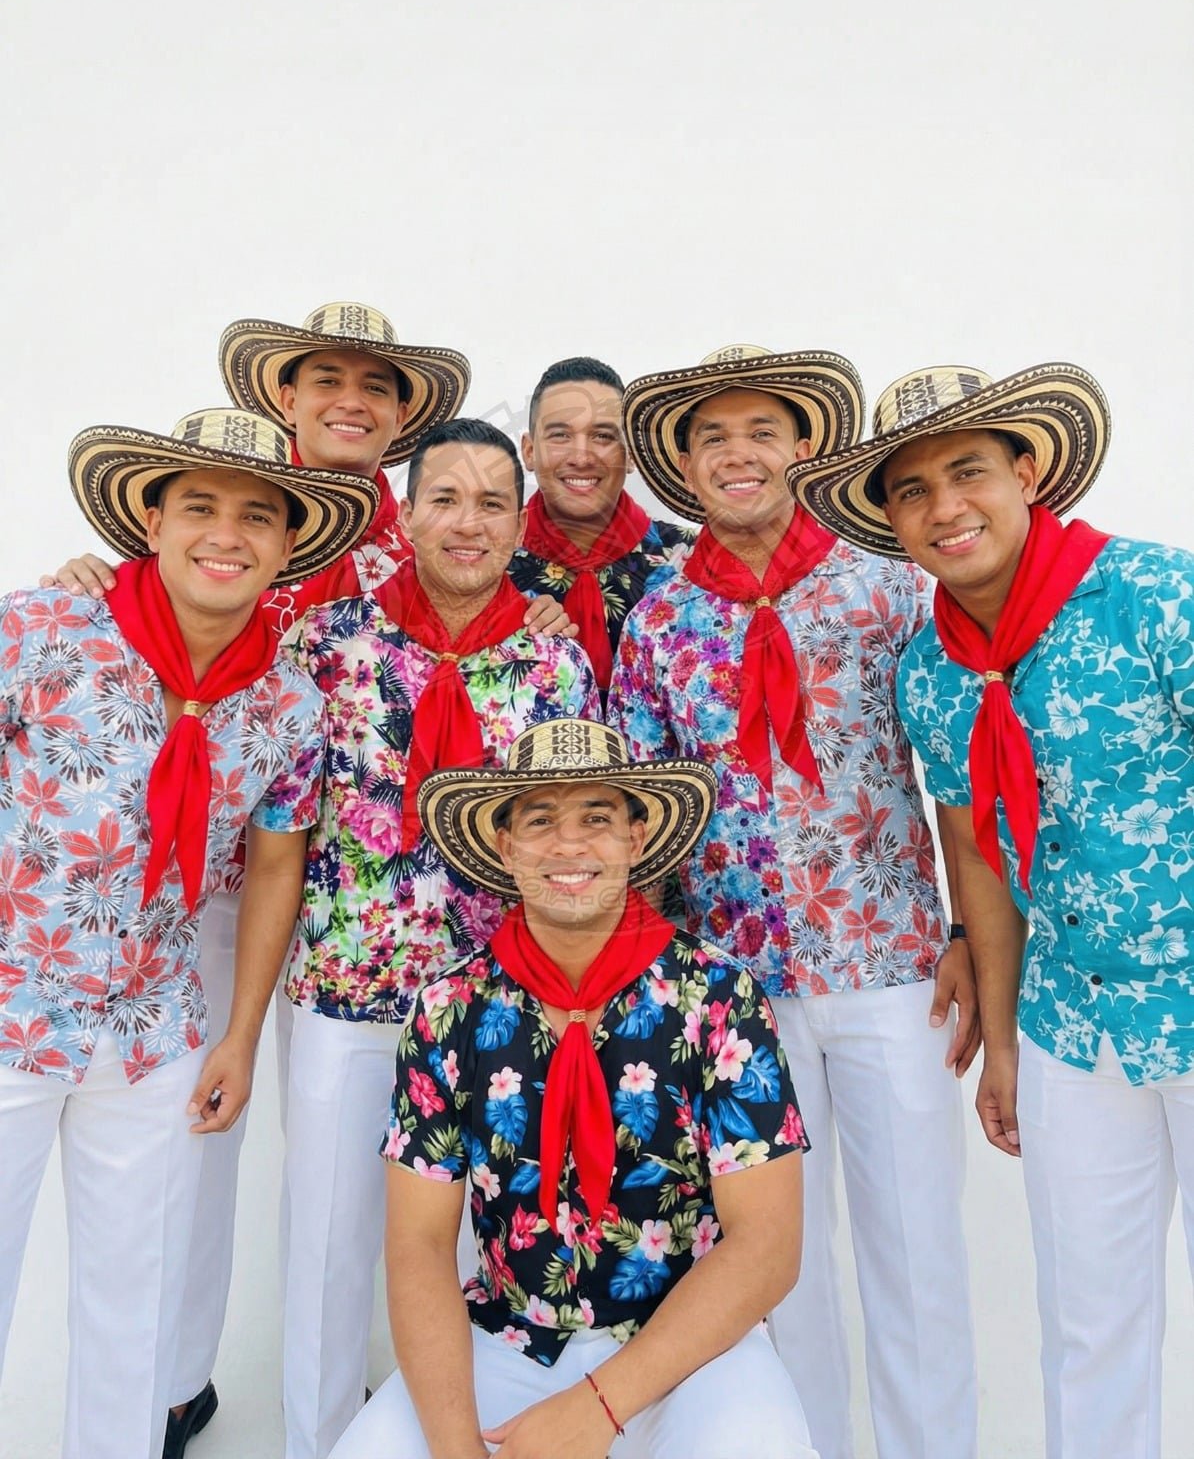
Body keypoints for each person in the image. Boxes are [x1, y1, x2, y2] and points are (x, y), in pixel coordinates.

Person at [42, 302, 569, 1455]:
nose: (350, 400)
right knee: (208, 1150)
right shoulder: (234, 536)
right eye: (327, 378)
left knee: (446, 1200)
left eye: (375, 384)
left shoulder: (439, 570)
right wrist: (87, 580)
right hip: (203, 893)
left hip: (361, 908)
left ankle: (445, 1414)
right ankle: (182, 1391)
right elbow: (159, 622)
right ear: (285, 395)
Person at [790, 362, 1191, 1459]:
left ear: (1027, 474)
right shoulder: (933, 670)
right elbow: (975, 852)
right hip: (1072, 1025)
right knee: (1089, 1328)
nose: (945, 507)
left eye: (968, 472)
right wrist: (1005, 1043)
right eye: (912, 491)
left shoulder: (1159, 595)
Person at [607, 345, 979, 1459]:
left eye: (761, 430)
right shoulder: (659, 622)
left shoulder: (888, 588)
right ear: (684, 465)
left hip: (892, 968)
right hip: (739, 997)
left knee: (917, 1254)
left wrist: (969, 928)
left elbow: (961, 774)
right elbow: (644, 824)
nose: (739, 455)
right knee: (779, 1272)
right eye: (712, 437)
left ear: (804, 445)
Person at [0, 408, 375, 1459]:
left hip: (152, 1033)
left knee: (135, 1309)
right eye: (199, 507)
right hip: (10, 1007)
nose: (226, 534)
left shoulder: (288, 701)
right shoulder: (41, 630)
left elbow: (276, 865)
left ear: (288, 544)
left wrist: (241, 1036)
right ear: (153, 522)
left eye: (257, 516)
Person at [328, 717, 819, 1459]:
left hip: (689, 1347)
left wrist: (598, 1407)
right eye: (539, 820)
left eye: (597, 818)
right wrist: (458, 1451)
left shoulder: (719, 996)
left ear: (637, 838)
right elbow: (419, 1247)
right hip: (507, 1338)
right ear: (504, 845)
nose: (569, 845)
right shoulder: (449, 1010)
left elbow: (768, 1246)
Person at [271, 418, 602, 1459]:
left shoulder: (553, 663)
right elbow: (279, 831)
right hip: (347, 997)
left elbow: (578, 845)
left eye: (492, 502)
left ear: (520, 520)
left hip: (494, 1011)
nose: (468, 521)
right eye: (445, 499)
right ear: (407, 514)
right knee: (326, 1246)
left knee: (486, 1259)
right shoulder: (329, 646)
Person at [510, 355, 693, 695]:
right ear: (529, 451)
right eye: (560, 435)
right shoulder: (486, 563)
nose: (581, 457)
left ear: (631, 454)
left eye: (603, 436)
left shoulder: (691, 561)